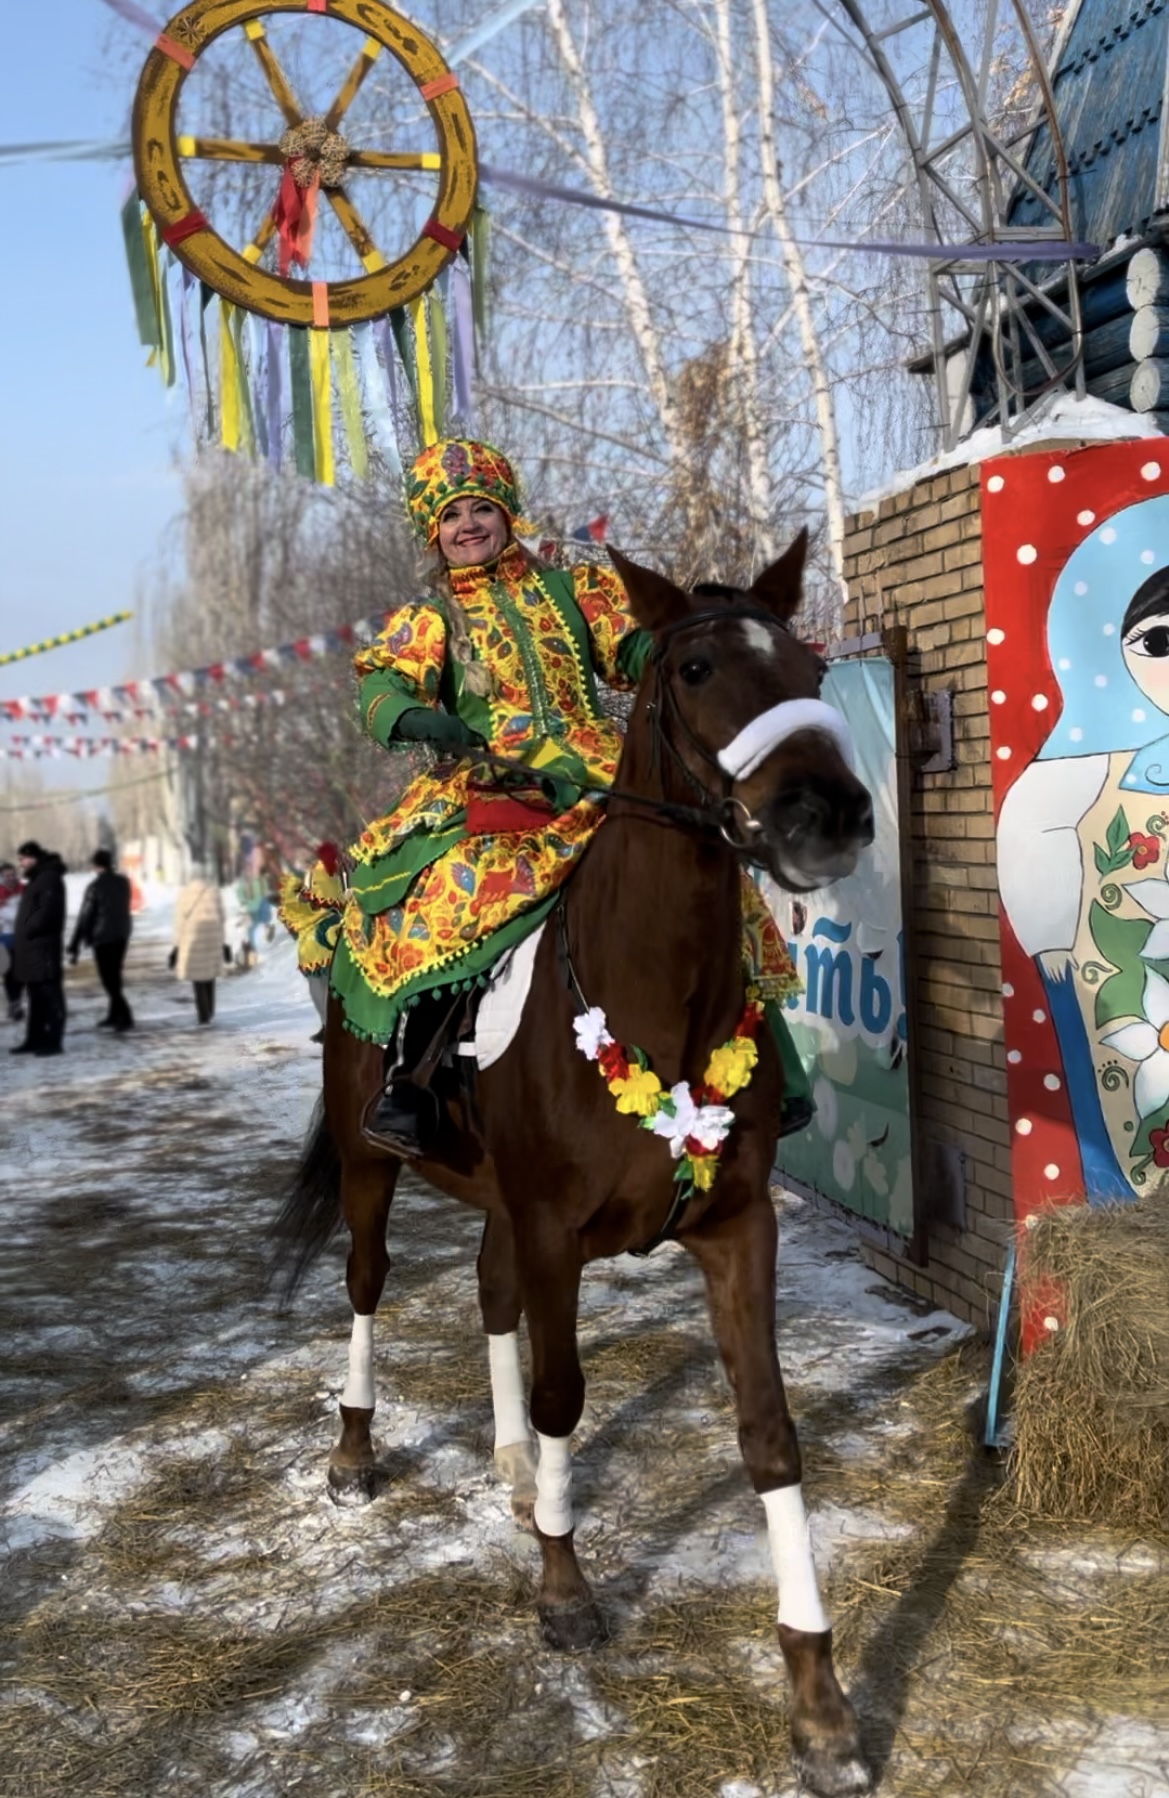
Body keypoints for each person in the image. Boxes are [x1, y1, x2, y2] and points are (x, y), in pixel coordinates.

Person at [295, 438, 807, 1155]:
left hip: (601, 769)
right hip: (493, 777)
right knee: (452, 893)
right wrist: (415, 718)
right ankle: (413, 1079)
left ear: (507, 514)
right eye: (451, 516)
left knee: (709, 876)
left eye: (481, 509)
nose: (468, 525)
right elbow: (381, 686)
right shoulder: (431, 617)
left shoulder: (570, 590)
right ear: (433, 534)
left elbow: (633, 650)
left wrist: (680, 645)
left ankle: (774, 1067)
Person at [10, 840, 67, 1057]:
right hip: (32, 948)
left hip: (43, 947)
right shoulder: (38, 878)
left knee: (50, 995)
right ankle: (35, 1038)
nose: (21, 863)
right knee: (36, 997)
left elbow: (46, 912)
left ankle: (53, 1041)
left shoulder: (49, 878)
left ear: (33, 857)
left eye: (23, 858)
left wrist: (27, 928)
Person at [68, 848, 134, 1032]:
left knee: (109, 980)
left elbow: (85, 917)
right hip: (121, 935)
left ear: (97, 866)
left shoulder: (95, 887)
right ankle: (114, 1015)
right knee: (115, 976)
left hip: (103, 938)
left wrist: (74, 943)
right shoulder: (123, 882)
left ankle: (126, 1016)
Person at [171, 870, 228, 1025]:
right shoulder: (213, 891)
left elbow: (179, 921)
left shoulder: (184, 893)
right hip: (212, 938)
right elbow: (222, 917)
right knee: (210, 975)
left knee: (198, 978)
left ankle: (203, 1014)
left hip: (193, 939)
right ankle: (210, 1009)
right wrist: (223, 941)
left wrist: (177, 945)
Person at [0, 861, 23, 1023]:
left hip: (22, 937)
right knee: (9, 973)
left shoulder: (23, 889)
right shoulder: (0, 892)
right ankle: (14, 1004)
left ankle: (16, 1002)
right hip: (4, 938)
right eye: (7, 875)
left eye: (13, 874)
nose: (11, 878)